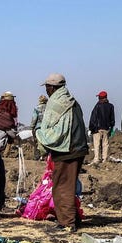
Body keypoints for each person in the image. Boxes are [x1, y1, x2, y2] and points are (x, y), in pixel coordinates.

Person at [36, 73, 89, 233]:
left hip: (66, 150)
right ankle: (72, 218)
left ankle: (66, 223)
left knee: (62, 187)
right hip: (78, 148)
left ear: (52, 87)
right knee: (69, 185)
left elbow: (51, 131)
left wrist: (39, 134)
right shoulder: (72, 101)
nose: (46, 90)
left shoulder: (55, 103)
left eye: (47, 87)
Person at [88, 91, 115, 164]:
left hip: (97, 128)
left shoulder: (97, 106)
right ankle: (104, 159)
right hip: (106, 128)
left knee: (96, 144)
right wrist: (111, 126)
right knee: (105, 144)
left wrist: (91, 128)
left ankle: (96, 159)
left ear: (100, 98)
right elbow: (112, 118)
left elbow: (93, 117)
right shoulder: (111, 106)